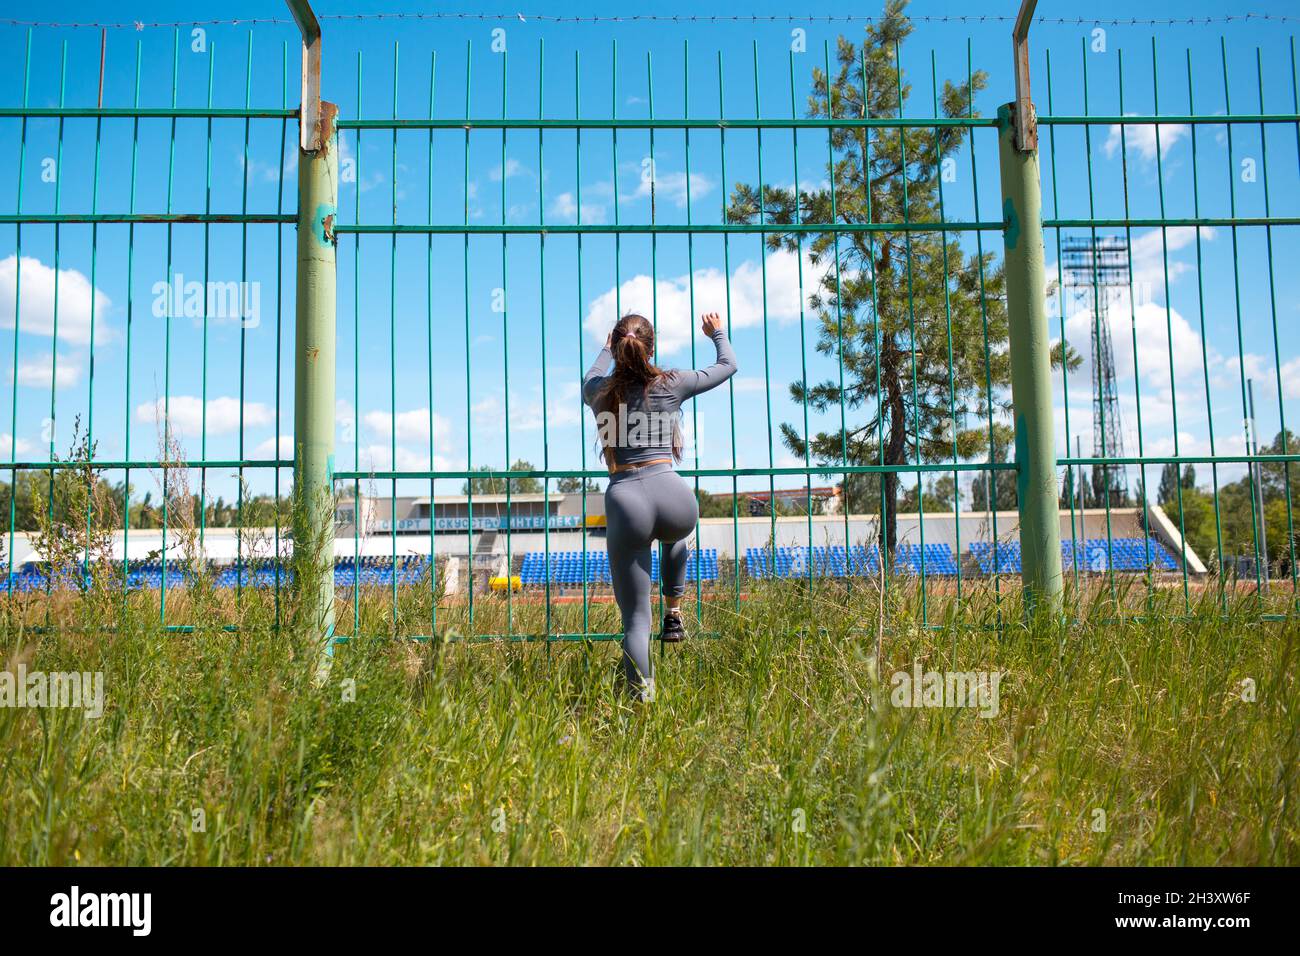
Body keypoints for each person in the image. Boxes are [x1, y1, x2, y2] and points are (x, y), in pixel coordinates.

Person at [582, 311, 737, 702]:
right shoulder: (671, 382)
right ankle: (674, 607)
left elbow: (588, 376)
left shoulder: (599, 391)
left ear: (617, 348)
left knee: (635, 621)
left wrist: (604, 347)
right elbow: (728, 365)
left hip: (626, 499)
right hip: (675, 499)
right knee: (674, 535)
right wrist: (716, 332)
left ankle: (642, 704)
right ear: (652, 348)